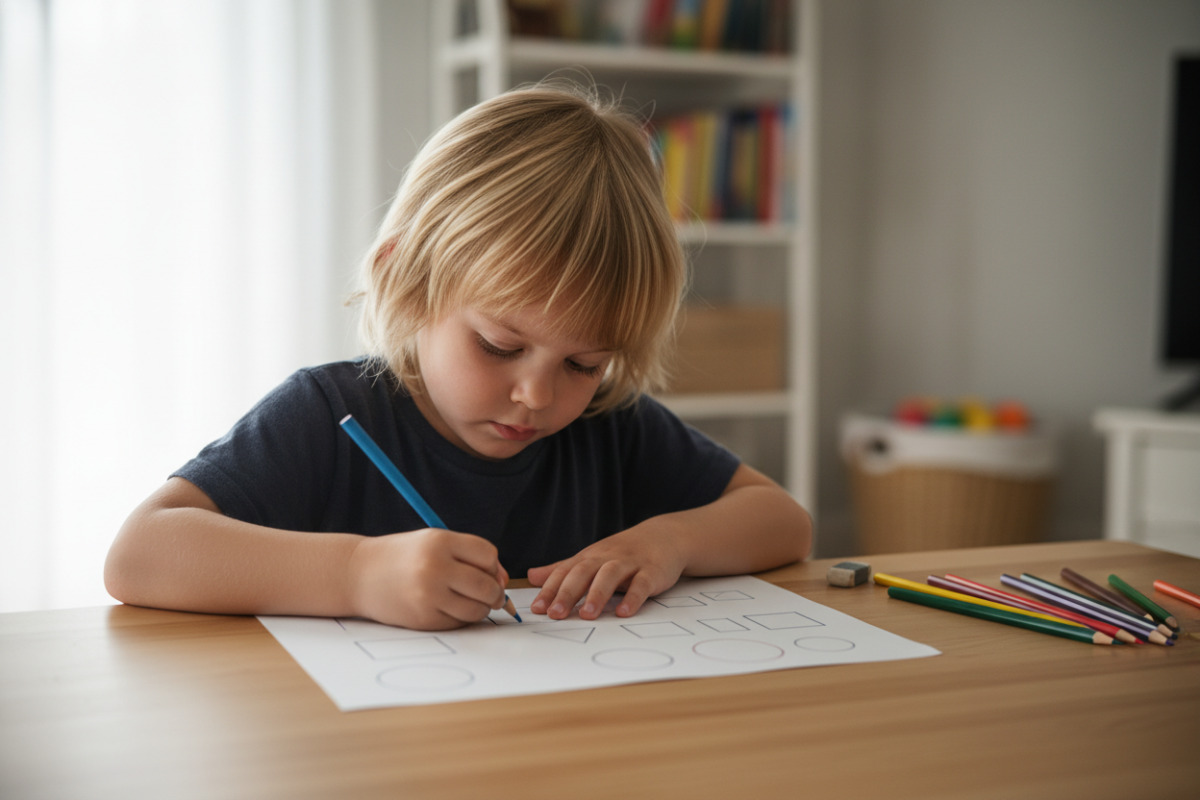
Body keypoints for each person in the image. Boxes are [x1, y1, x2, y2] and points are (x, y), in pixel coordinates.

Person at [104, 82, 812, 631]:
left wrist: (672, 541)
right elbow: (140, 554)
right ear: (405, 281)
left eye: (583, 363)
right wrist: (356, 573)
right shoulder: (331, 414)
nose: (539, 396)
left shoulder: (607, 425)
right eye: (501, 346)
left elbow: (781, 518)